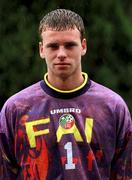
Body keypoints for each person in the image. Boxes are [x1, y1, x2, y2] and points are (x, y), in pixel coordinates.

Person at [0, 9, 132, 180]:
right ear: (41, 50)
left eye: (70, 45)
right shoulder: (16, 108)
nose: (61, 54)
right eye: (53, 46)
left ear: (83, 46)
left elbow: (125, 174)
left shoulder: (112, 106)